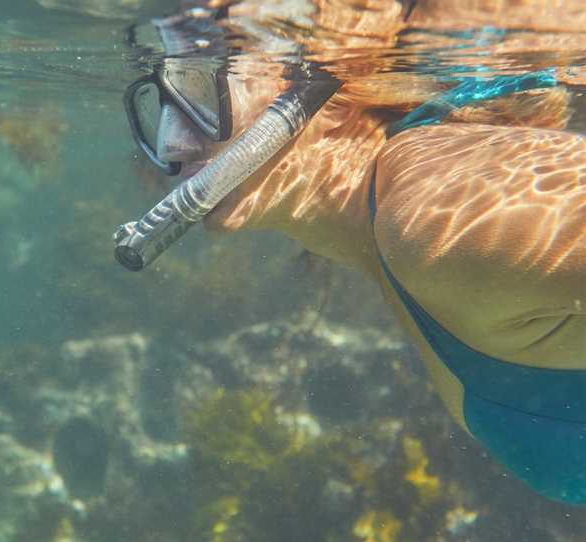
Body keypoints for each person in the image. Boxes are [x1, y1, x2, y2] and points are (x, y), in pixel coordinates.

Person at [123, 0, 586, 503]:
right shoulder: (400, 229)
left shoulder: (428, 210)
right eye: (164, 99)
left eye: (202, 92)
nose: (172, 144)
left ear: (324, 97)